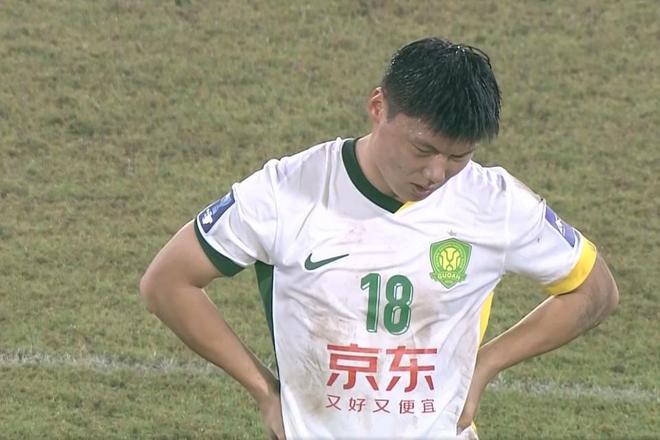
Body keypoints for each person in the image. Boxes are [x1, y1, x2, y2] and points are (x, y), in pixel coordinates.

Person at [139, 37, 619, 439]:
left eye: (458, 157)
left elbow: (595, 290)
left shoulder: (496, 204)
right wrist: (265, 392)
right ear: (378, 107)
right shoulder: (287, 193)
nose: (436, 173)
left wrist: (487, 364)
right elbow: (167, 283)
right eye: (423, 149)